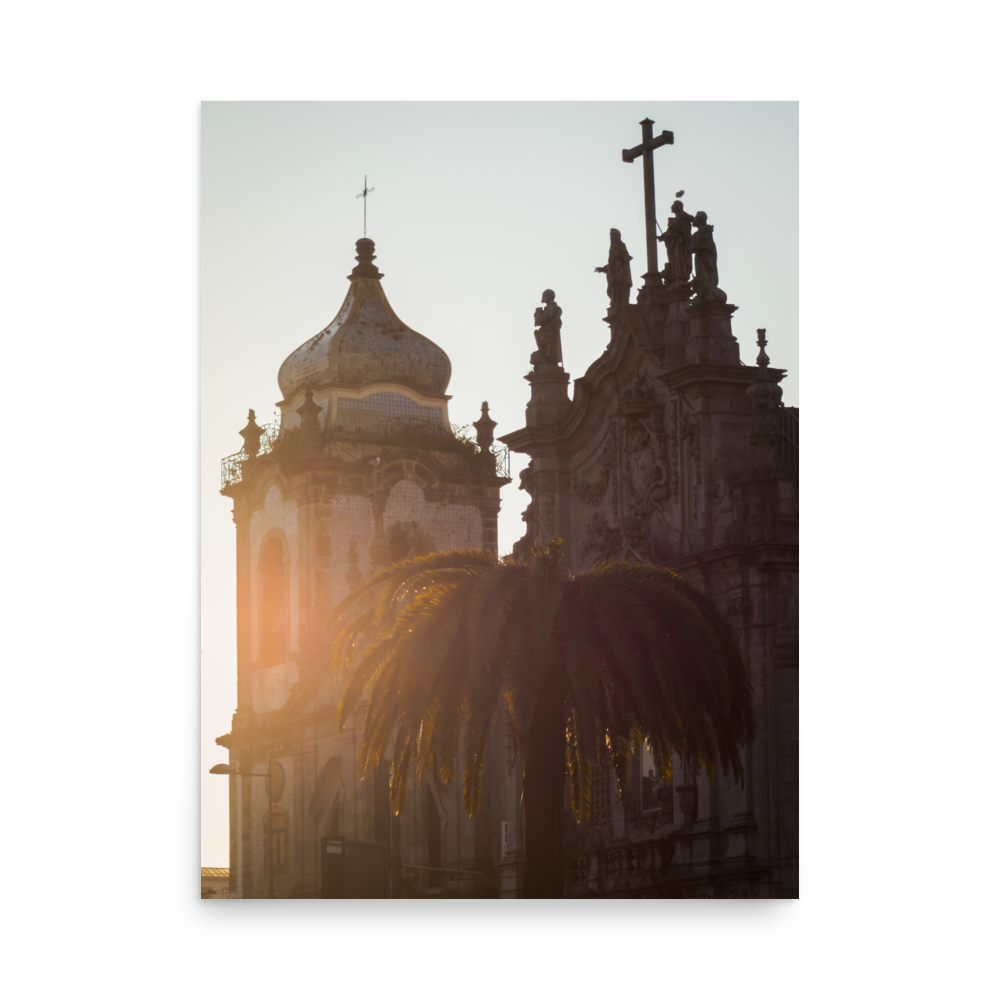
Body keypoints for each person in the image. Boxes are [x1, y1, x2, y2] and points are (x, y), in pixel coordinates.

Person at [690, 211, 726, 303]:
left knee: (705, 272)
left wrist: (699, 244)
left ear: (701, 219)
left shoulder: (707, 230)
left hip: (706, 256)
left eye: (696, 217)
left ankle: (707, 292)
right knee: (700, 273)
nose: (694, 220)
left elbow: (708, 245)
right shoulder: (696, 234)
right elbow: (691, 248)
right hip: (700, 256)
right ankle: (703, 292)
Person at [594, 228, 633, 313]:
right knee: (612, 289)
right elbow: (611, 264)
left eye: (613, 235)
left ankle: (619, 305)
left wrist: (620, 257)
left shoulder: (621, 245)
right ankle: (616, 304)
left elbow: (625, 258)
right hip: (613, 273)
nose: (612, 237)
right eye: (611, 235)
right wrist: (603, 269)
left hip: (620, 273)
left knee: (619, 287)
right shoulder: (612, 247)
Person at [657, 200, 695, 284]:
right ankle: (675, 276)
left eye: (673, 205)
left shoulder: (683, 217)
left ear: (678, 207)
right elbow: (669, 231)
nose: (671, 207)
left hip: (680, 243)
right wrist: (662, 236)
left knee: (679, 259)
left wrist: (675, 228)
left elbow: (684, 230)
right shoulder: (678, 218)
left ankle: (680, 276)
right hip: (673, 243)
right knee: (674, 260)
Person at [531, 289, 563, 367]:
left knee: (550, 353)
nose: (542, 297)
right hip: (547, 333)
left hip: (550, 334)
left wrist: (537, 316)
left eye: (544, 296)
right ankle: (546, 362)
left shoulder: (552, 307)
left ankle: (548, 363)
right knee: (546, 351)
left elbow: (541, 320)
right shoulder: (549, 308)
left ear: (549, 296)